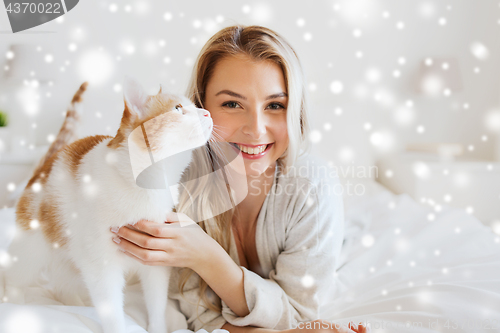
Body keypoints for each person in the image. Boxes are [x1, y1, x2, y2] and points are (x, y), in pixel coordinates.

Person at [110, 25, 369, 333]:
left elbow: (298, 312)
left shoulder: (313, 187)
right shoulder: (176, 185)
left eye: (275, 105)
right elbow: (204, 314)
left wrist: (204, 255)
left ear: (295, 112)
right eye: (232, 104)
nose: (256, 129)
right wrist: (203, 254)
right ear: (200, 108)